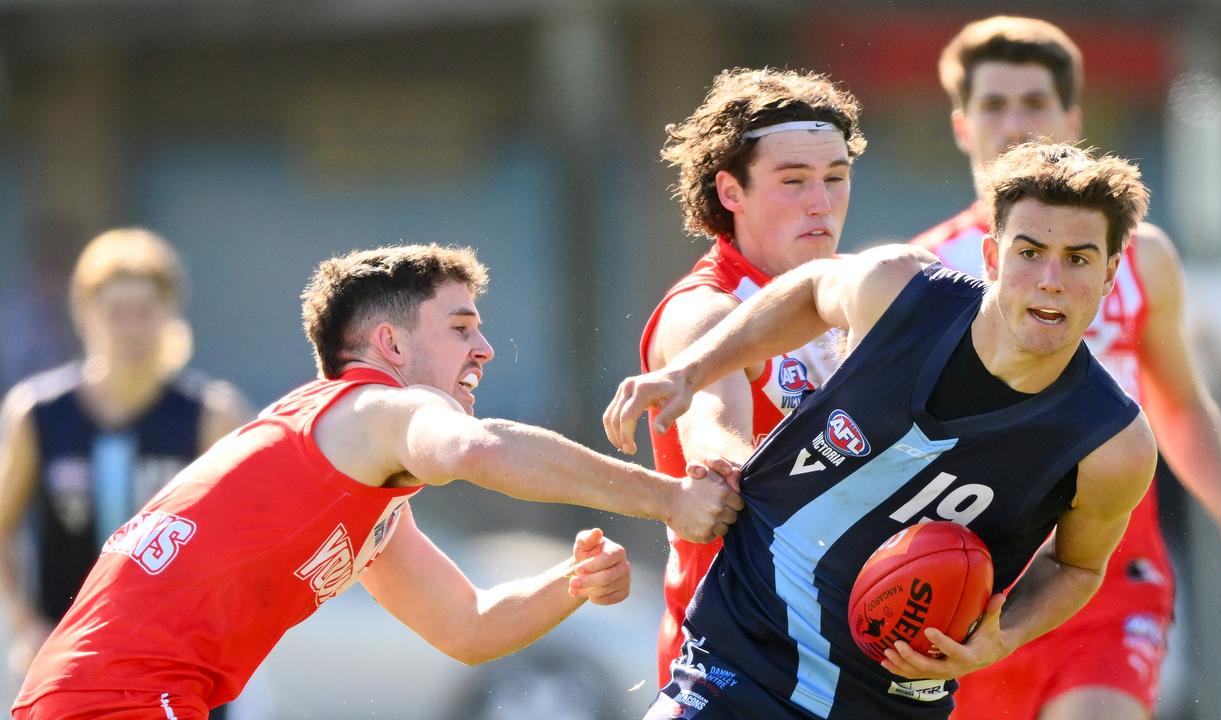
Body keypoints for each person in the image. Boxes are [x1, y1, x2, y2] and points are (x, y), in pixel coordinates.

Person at [11, 244, 742, 720]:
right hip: (120, 703)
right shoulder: (375, 409)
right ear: (388, 344)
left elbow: (468, 626)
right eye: (459, 327)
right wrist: (670, 498)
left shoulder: (360, 473)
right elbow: (482, 449)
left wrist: (571, 584)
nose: (484, 348)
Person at [605, 142, 1159, 718]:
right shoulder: (902, 290)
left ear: (1109, 274)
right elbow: (814, 289)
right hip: (738, 658)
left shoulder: (1111, 444)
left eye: (1078, 258)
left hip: (888, 704)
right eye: (1030, 251)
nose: (1050, 280)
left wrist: (1007, 635)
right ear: (992, 258)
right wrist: (690, 372)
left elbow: (1078, 565)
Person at [910, 16, 1221, 719]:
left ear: (1071, 118)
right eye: (993, 105)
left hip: (1107, 569)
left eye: (1035, 103)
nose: (1015, 123)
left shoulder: (1145, 256)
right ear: (961, 125)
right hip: (970, 576)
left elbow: (1177, 397)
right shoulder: (924, 273)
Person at [641, 67, 864, 685]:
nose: (821, 202)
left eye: (836, 179)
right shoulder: (706, 309)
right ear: (730, 192)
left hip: (850, 643)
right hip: (737, 651)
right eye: (793, 181)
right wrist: (717, 453)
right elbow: (712, 427)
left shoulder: (860, 296)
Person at [0, 228, 251, 719]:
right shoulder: (40, 413)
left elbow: (248, 537)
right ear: (84, 313)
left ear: (170, 314)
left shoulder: (210, 414)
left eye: (145, 312)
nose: (130, 327)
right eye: (116, 312)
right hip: (68, 660)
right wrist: (25, 623)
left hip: (181, 662)